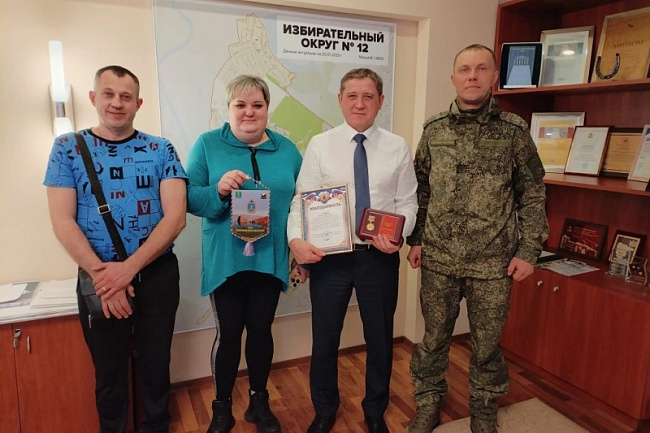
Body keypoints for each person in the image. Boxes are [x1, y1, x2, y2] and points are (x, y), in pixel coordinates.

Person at [404, 44, 549, 433]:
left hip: (493, 262)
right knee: (434, 338)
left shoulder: (514, 131)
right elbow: (421, 189)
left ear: (494, 77)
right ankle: (428, 400)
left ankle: (484, 406)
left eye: (481, 69)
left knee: (486, 344)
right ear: (453, 78)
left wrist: (529, 250)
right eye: (465, 69)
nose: (472, 76)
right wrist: (416, 239)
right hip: (439, 258)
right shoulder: (434, 130)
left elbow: (533, 193)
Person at [44, 65, 187, 433]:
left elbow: (175, 219)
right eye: (108, 94)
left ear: (138, 103)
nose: (117, 103)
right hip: (99, 278)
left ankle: (156, 427)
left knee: (156, 366)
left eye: (126, 97)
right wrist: (106, 278)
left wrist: (128, 270)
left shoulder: (161, 149)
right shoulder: (67, 148)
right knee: (109, 373)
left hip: (156, 276)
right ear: (94, 98)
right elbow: (62, 221)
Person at [287, 68, 418, 433]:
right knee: (325, 338)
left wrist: (399, 235)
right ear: (341, 100)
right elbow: (301, 200)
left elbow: (408, 202)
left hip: (379, 258)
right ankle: (324, 409)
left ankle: (375, 411)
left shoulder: (397, 146)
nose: (360, 104)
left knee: (380, 338)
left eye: (368, 96)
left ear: (380, 101)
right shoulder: (320, 145)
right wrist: (296, 241)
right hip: (331, 259)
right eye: (352, 96)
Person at [186, 75, 304, 433]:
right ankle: (222, 407)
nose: (249, 112)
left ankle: (258, 402)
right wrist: (218, 191)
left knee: (261, 331)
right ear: (229, 109)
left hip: (270, 258)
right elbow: (188, 198)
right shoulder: (207, 145)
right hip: (227, 260)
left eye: (257, 105)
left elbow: (302, 203)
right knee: (229, 334)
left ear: (267, 108)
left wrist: (301, 253)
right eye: (240, 104)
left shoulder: (288, 151)